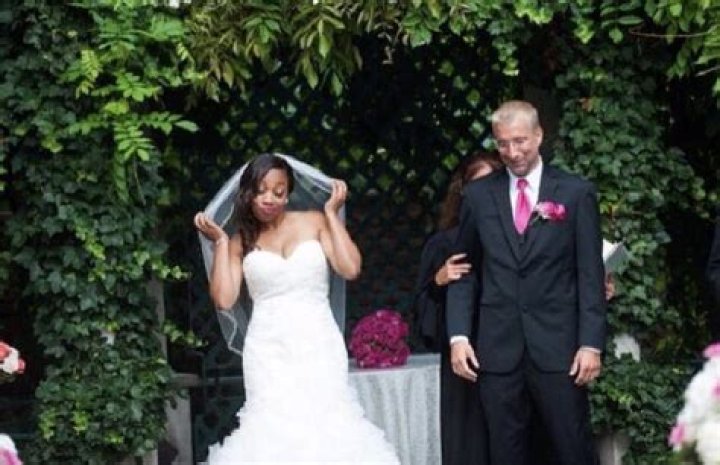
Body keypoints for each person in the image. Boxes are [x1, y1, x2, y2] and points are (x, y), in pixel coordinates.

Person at [194, 153, 398, 464]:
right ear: (247, 193)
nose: (270, 199)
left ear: (288, 193)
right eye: (261, 191)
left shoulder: (314, 222)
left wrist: (331, 214)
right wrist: (221, 243)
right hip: (268, 350)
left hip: (319, 341)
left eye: (279, 192)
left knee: (329, 421)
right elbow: (224, 299)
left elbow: (350, 267)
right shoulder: (240, 241)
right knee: (271, 427)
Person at [447, 100, 607, 465]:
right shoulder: (477, 195)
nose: (512, 152)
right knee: (505, 452)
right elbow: (463, 270)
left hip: (560, 348)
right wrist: (459, 337)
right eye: (503, 143)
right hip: (497, 350)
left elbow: (590, 274)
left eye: (520, 141)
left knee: (572, 448)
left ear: (538, 136)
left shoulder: (575, 192)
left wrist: (591, 344)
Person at [414, 151, 502, 465]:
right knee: (469, 440)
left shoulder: (517, 236)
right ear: (463, 189)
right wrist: (438, 281)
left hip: (507, 346)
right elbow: (422, 310)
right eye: (479, 185)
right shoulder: (444, 242)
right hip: (465, 354)